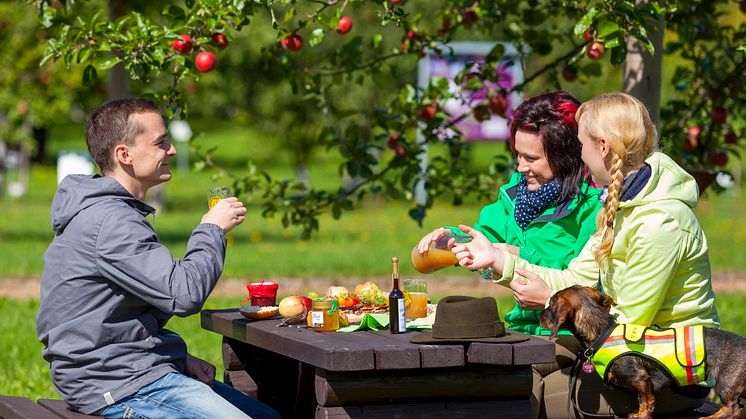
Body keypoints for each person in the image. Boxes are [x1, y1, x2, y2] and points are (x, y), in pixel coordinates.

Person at [451, 92, 720, 418]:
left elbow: (630, 323)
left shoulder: (661, 223)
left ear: (602, 146)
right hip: (628, 358)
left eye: (581, 144)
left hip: (668, 374)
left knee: (542, 399)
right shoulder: (621, 204)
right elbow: (575, 279)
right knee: (516, 381)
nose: (579, 154)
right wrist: (498, 260)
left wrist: (551, 297)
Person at [36, 98, 280, 419]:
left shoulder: (110, 212)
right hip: (113, 383)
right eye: (160, 143)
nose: (172, 150)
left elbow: (121, 314)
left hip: (123, 370)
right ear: (124, 154)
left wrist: (174, 356)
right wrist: (211, 228)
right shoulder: (111, 221)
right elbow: (183, 295)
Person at [415, 91, 602, 336]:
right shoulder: (516, 196)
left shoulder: (594, 207)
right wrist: (449, 241)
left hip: (570, 336)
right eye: (517, 154)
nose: (521, 167)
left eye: (531, 158)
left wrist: (516, 255)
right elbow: (481, 237)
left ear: (566, 157)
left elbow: (587, 282)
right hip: (521, 331)